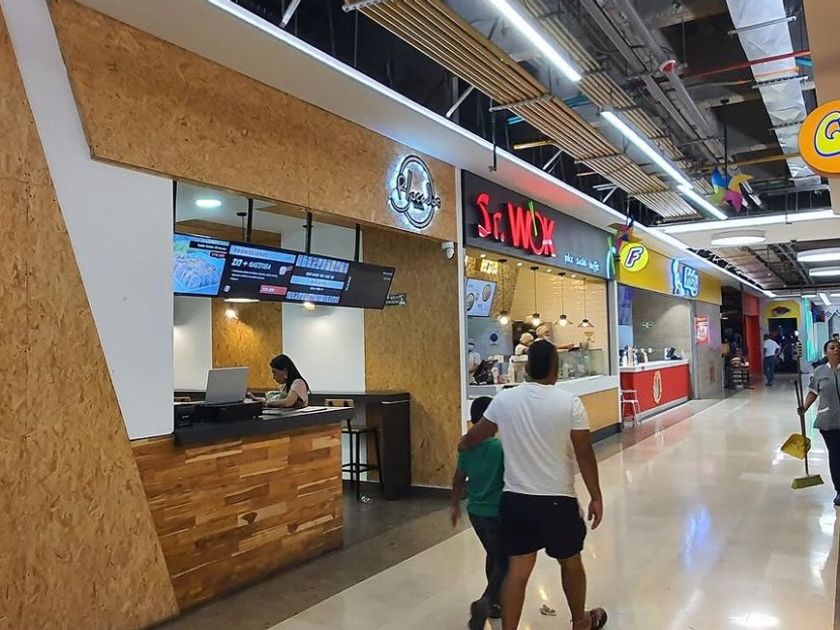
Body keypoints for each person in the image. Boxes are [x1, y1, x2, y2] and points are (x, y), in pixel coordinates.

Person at [460, 340, 607, 630]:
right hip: (558, 501)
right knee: (570, 562)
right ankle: (580, 622)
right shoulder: (569, 403)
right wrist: (596, 496)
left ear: (526, 367)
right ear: (556, 367)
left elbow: (478, 434)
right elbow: (584, 453)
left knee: (518, 570)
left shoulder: (505, 400)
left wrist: (464, 443)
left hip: (516, 501)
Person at [451, 396, 507, 630]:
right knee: (505, 562)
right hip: (497, 512)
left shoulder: (466, 447)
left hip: (475, 512)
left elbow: (458, 479)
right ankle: (487, 600)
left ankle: (494, 604)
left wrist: (454, 505)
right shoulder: (499, 448)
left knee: (492, 554)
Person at [800, 340, 840, 506]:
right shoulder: (820, 372)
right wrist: (804, 407)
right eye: (832, 347)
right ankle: (839, 490)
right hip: (828, 421)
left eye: (838, 347)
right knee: (836, 455)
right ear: (826, 352)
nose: (836, 349)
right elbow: (813, 392)